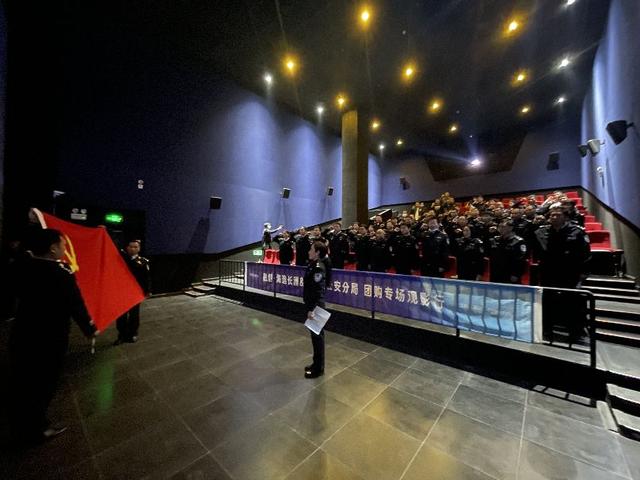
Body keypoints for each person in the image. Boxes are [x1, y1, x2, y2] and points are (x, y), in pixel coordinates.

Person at [8, 228, 97, 444]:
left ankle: (21, 424)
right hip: (50, 338)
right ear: (53, 248)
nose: (65, 249)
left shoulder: (22, 266)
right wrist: (90, 328)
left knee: (24, 380)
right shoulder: (61, 272)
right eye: (63, 245)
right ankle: (36, 429)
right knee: (43, 383)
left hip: (22, 333)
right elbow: (75, 304)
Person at [303, 241, 332, 379]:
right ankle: (316, 364)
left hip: (316, 306)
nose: (309, 251)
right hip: (312, 305)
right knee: (315, 337)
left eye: (311, 249)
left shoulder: (319, 267)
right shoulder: (313, 264)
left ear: (317, 252)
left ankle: (319, 369)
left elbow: (318, 290)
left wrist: (312, 309)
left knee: (318, 338)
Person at [115, 239, 150, 344]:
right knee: (121, 315)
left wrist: (147, 291)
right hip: (122, 291)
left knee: (134, 314)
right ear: (127, 248)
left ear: (139, 249)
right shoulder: (121, 259)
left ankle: (133, 333)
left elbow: (146, 278)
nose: (133, 249)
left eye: (135, 247)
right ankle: (121, 335)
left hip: (135, 292)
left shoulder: (143, 262)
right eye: (131, 246)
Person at [488, 219, 528, 284]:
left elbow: (521, 259)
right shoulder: (495, 239)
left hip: (509, 273)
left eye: (503, 227)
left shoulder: (518, 241)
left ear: (510, 228)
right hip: (496, 273)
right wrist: (489, 234)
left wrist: (516, 274)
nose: (500, 229)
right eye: (499, 227)